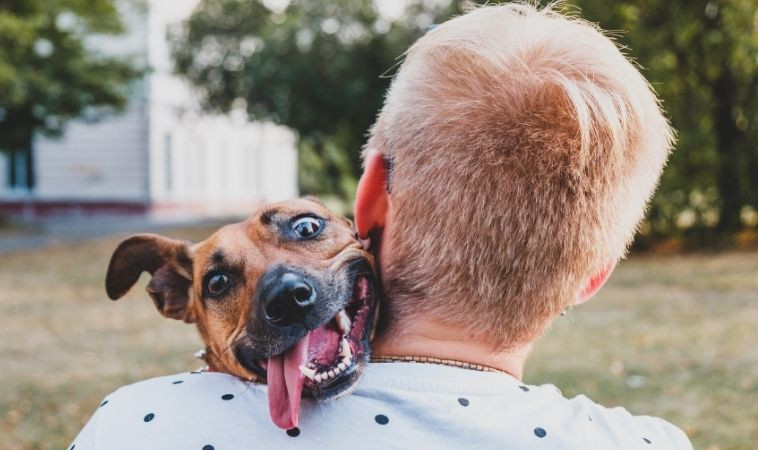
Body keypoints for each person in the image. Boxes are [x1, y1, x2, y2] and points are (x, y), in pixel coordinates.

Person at [70, 4, 691, 449]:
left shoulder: (133, 424)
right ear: (593, 276)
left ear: (366, 205)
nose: (284, 284)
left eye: (305, 229)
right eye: (221, 283)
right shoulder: (648, 441)